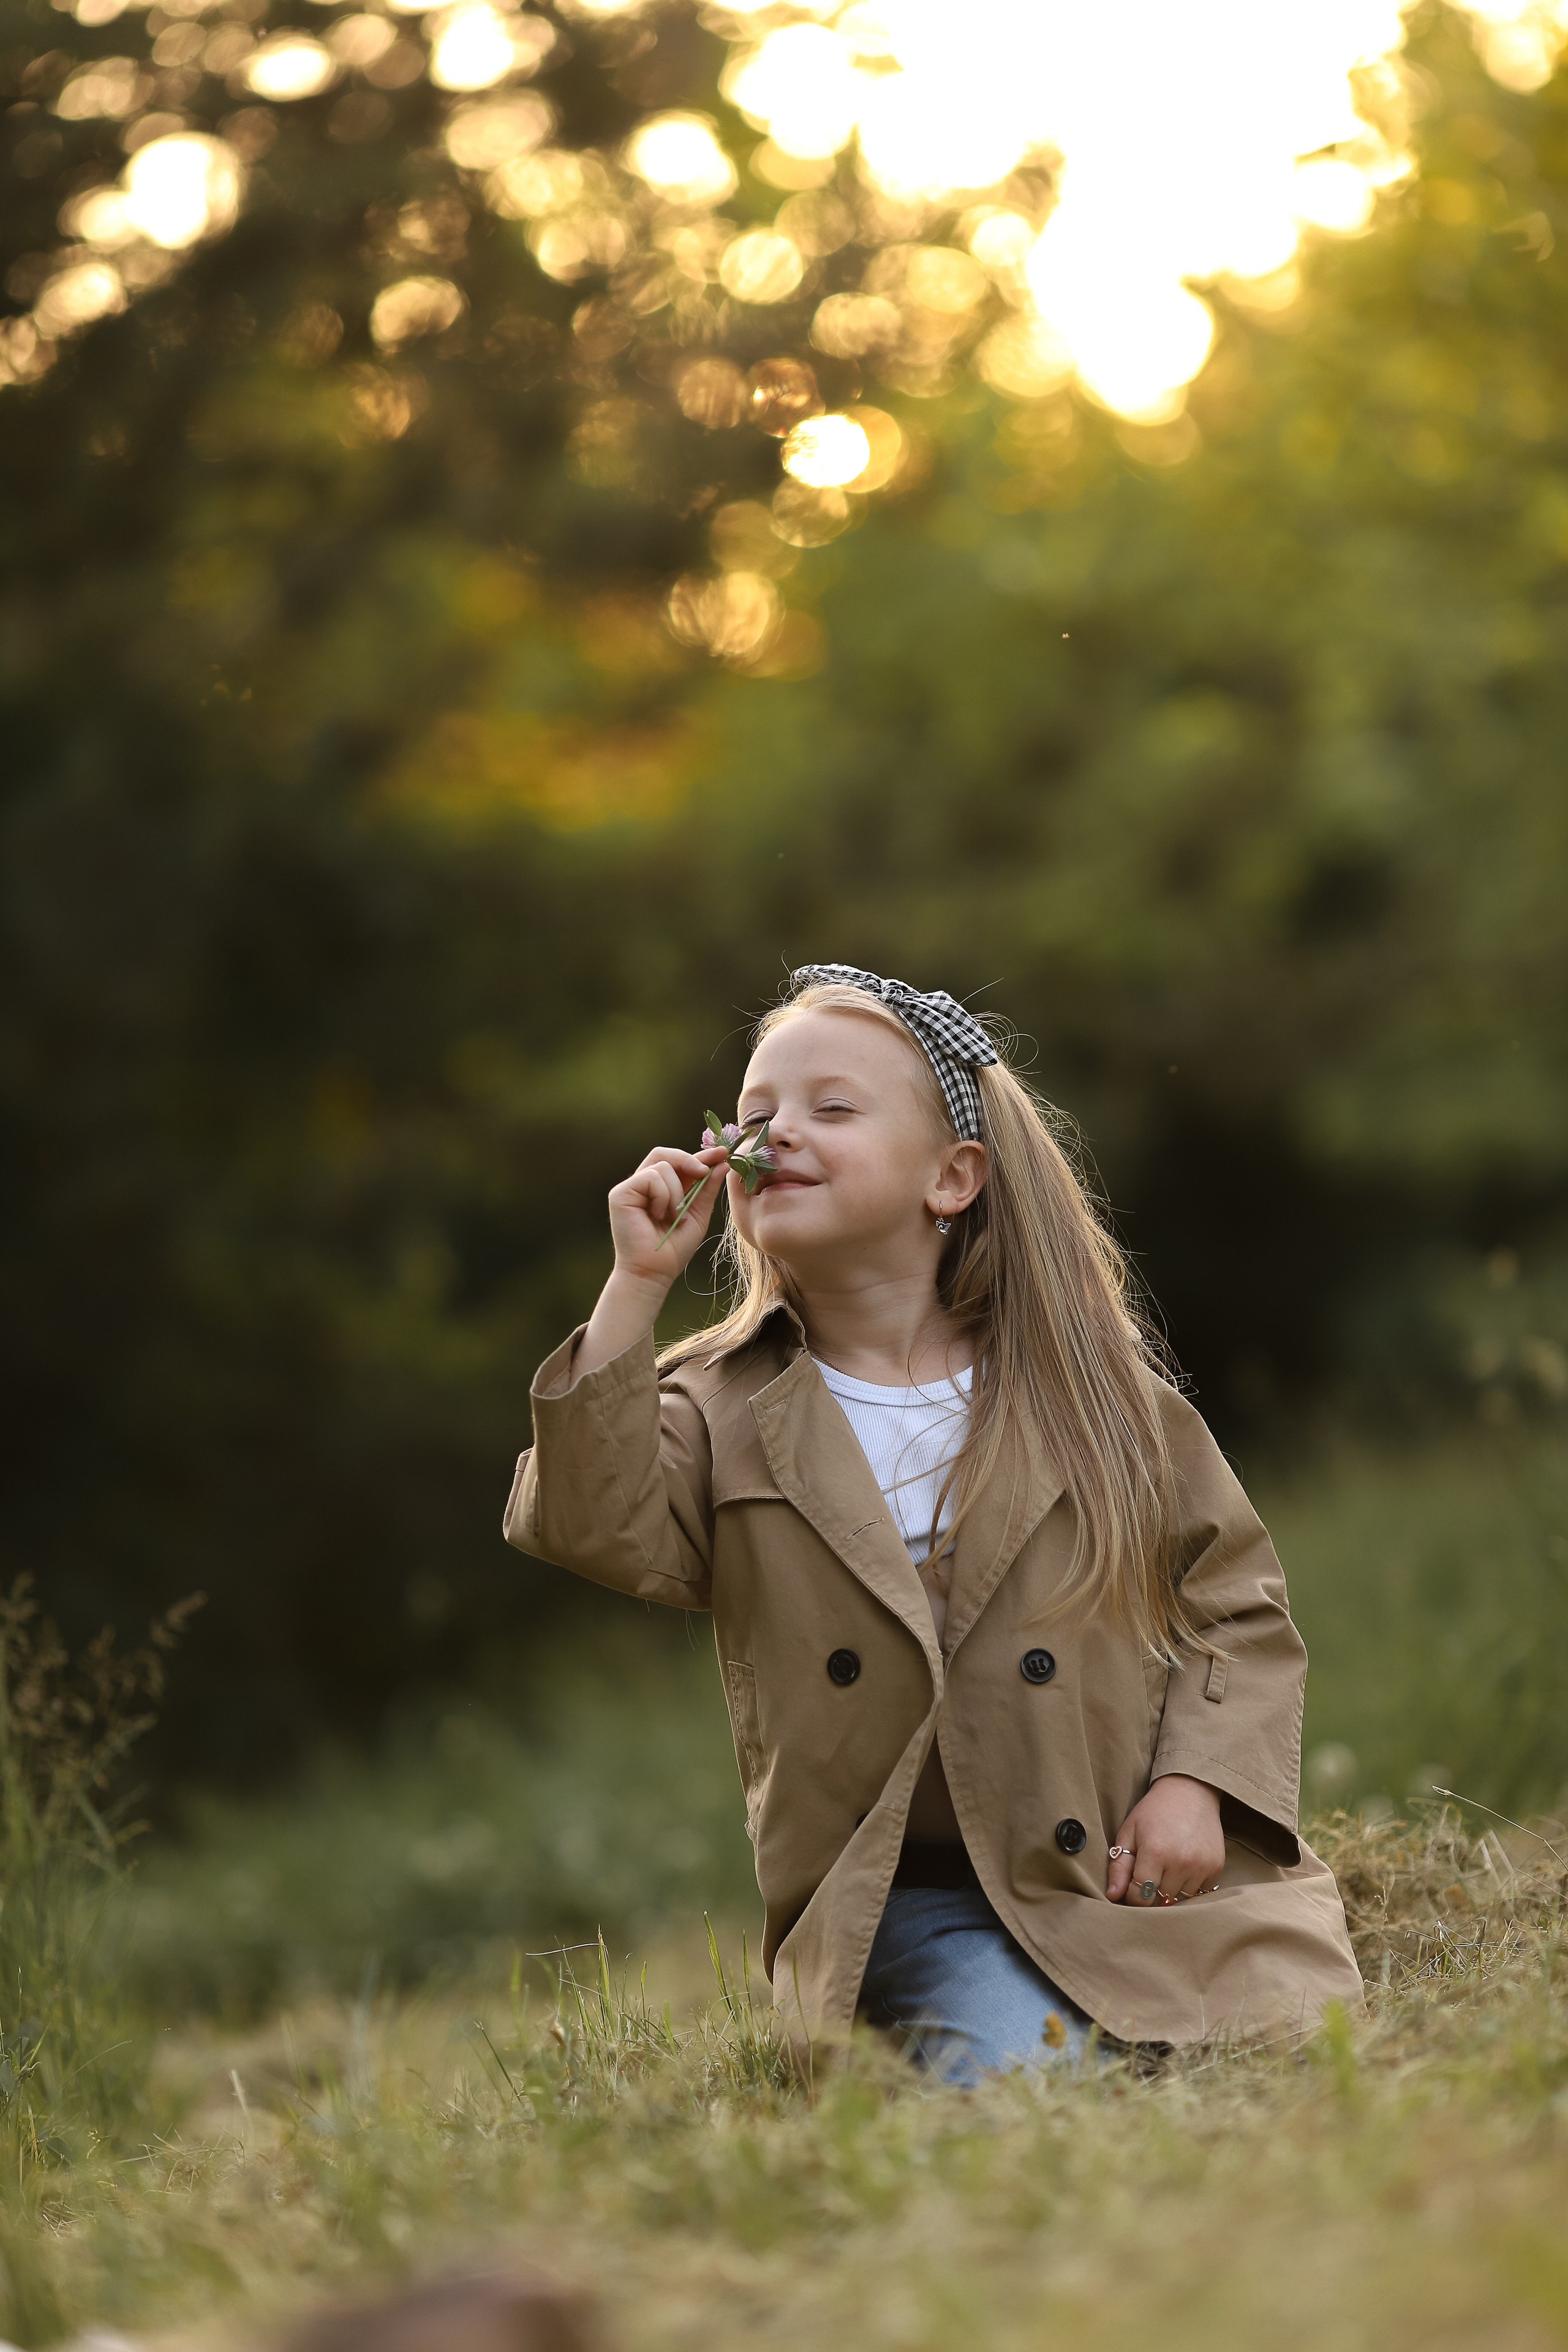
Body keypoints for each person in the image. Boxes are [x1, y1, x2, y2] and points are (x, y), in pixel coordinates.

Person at [504, 966, 1363, 2082]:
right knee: (1025, 2079)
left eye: (833, 1108)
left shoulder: (1093, 1395)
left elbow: (1234, 1604)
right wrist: (635, 1284)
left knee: (1281, 2050)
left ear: (952, 1179)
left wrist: (1197, 1785)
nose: (776, 1134)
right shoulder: (716, 1405)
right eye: (756, 1115)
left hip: (1123, 1868)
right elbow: (587, 1519)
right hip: (916, 1898)